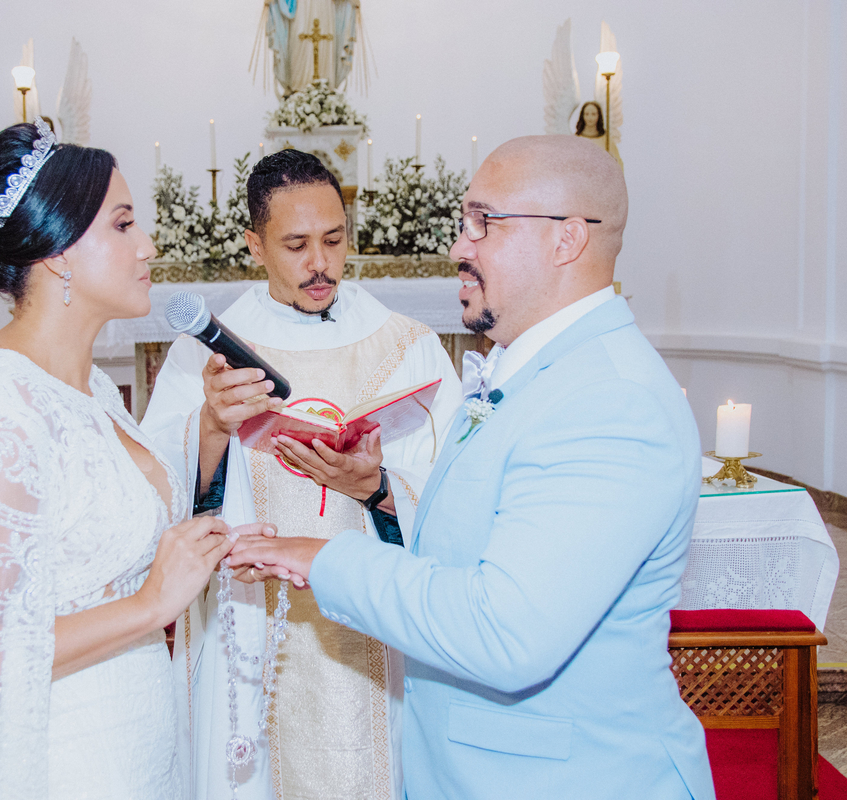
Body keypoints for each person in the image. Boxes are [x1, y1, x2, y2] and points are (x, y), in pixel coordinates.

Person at [228, 136, 716, 799]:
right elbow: (479, 539)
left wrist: (323, 558)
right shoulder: (529, 371)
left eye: (483, 223)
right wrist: (378, 491)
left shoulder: (610, 402)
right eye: (464, 223)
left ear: (565, 240)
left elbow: (505, 631)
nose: (460, 247)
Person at [0, 118, 255, 800]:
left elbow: (107, 523)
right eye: (122, 225)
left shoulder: (83, 384)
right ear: (57, 252)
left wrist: (211, 434)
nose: (147, 245)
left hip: (139, 735)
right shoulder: (2, 409)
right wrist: (151, 605)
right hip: (66, 758)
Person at [140, 149, 463, 800]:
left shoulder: (405, 344)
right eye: (296, 245)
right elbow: (156, 493)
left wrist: (375, 487)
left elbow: (456, 493)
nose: (320, 263)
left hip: (371, 622)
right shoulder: (206, 351)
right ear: (254, 245)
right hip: (249, 616)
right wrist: (209, 425)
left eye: (334, 240)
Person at [574, 100, 622, 167]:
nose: (590, 118)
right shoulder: (575, 139)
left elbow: (618, 163)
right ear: (582, 116)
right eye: (587, 114)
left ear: (598, 116)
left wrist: (612, 161)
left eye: (593, 114)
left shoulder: (606, 140)